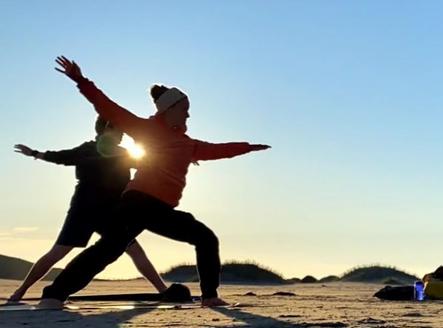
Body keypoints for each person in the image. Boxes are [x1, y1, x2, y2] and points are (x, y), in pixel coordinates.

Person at [38, 56, 271, 308]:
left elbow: (218, 150)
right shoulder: (146, 129)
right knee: (110, 249)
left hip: (159, 208)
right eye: (185, 109)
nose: (188, 114)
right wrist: (80, 80)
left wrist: (248, 147)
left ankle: (210, 297)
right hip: (138, 203)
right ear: (168, 110)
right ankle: (54, 294)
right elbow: (107, 107)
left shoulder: (187, 144)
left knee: (201, 238)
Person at [6, 118, 167, 302]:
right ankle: (20, 291)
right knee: (57, 253)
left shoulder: (124, 154)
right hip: (84, 210)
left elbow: (150, 163)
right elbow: (62, 157)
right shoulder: (87, 149)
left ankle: (163, 290)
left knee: (135, 250)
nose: (123, 134)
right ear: (108, 128)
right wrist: (35, 153)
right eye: (120, 129)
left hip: (111, 212)